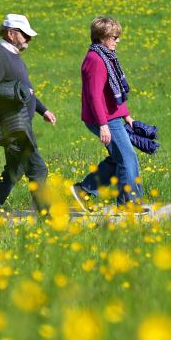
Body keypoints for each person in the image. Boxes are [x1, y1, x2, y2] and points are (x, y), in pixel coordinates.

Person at [0, 14, 57, 219]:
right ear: (11, 33)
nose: (28, 39)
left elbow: (25, 90)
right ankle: (46, 218)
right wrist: (14, 91)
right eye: (25, 35)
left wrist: (43, 110)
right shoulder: (1, 56)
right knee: (38, 170)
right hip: (14, 127)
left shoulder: (12, 54)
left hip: (21, 124)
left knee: (13, 172)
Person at [71, 16, 146, 214]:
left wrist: (127, 116)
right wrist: (103, 124)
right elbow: (95, 95)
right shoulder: (95, 60)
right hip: (102, 118)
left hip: (110, 116)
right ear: (102, 36)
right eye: (114, 36)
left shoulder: (106, 56)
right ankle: (129, 204)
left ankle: (85, 190)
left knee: (118, 157)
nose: (117, 40)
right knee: (127, 157)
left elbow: (112, 94)